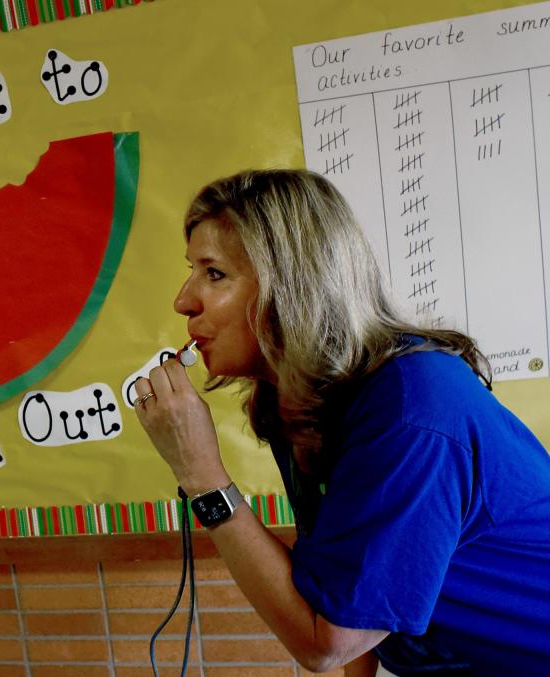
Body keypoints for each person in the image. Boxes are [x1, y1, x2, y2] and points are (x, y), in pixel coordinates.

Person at [132, 169, 550, 675]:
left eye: (214, 273)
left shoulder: (411, 408)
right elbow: (343, 586)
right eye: (191, 270)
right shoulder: (303, 400)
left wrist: (200, 474)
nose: (183, 300)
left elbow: (326, 642)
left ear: (292, 288)